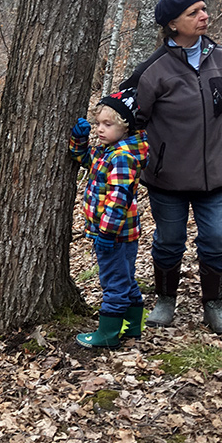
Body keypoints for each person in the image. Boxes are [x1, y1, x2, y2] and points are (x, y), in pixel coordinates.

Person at [120, 0, 222, 336]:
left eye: (203, 9)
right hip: (167, 177)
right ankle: (165, 301)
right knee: (169, 239)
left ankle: (214, 307)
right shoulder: (153, 70)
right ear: (172, 24)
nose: (203, 16)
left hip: (217, 173)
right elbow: (129, 115)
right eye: (193, 13)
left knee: (218, 239)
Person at [70, 88, 149, 348]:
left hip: (114, 234)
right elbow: (84, 159)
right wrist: (79, 141)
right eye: (98, 124)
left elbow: (119, 198)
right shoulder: (108, 151)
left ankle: (108, 334)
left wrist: (106, 233)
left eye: (108, 124)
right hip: (115, 233)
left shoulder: (123, 157)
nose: (100, 130)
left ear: (125, 127)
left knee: (113, 281)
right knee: (124, 278)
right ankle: (133, 326)